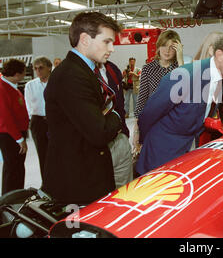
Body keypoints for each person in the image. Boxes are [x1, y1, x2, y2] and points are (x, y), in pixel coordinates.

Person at [136, 32, 223, 174]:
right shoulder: (185, 76)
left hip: (187, 152)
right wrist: (142, 141)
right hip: (160, 156)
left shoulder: (222, 79)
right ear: (219, 55)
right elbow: (148, 114)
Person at [42, 12, 123, 204]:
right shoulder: (72, 75)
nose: (112, 48)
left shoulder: (83, 70)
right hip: (78, 182)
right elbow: (99, 132)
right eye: (107, 42)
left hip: (85, 173)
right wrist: (117, 115)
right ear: (85, 39)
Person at [132, 30, 184, 153]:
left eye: (172, 47)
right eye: (164, 46)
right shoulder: (148, 69)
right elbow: (142, 99)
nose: (167, 51)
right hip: (153, 123)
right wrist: (136, 129)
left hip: (175, 124)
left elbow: (185, 91)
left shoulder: (180, 68)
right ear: (158, 46)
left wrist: (181, 61)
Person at [97, 60, 133, 188]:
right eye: (105, 42)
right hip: (94, 148)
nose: (111, 48)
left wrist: (123, 133)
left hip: (119, 141)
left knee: (124, 195)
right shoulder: (74, 73)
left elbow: (120, 103)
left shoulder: (112, 69)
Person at [0, 59, 29, 195]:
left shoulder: (10, 85)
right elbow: (5, 117)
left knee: (17, 167)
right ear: (17, 74)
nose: (24, 76)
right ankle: (8, 200)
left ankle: (17, 196)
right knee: (12, 168)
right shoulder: (2, 88)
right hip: (10, 135)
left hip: (16, 133)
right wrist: (19, 139)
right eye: (23, 73)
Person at [24, 56, 52, 179]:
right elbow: (28, 105)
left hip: (55, 121)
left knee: (58, 152)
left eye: (41, 68)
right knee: (42, 153)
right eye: (36, 68)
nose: (38, 71)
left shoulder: (56, 83)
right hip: (38, 121)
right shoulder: (30, 85)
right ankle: (46, 183)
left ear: (49, 68)